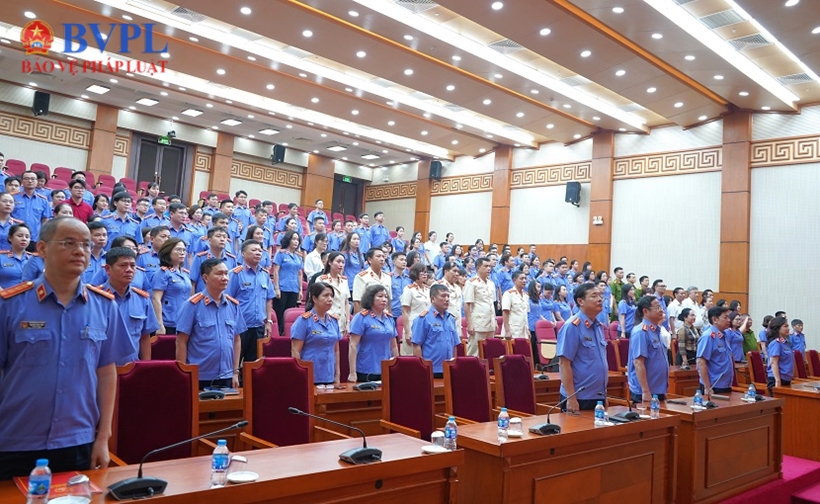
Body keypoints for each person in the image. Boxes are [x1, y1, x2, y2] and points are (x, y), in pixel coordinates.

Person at [0, 217, 131, 479]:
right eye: (68, 243)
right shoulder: (10, 304)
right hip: (14, 439)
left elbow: (106, 373)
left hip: (78, 439)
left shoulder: (105, 306)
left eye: (86, 244)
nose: (80, 251)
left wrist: (103, 437)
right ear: (42, 248)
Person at [176, 258, 246, 390]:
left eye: (226, 273)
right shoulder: (192, 305)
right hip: (199, 375)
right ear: (205, 277)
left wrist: (235, 372)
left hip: (226, 375)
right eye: (219, 274)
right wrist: (183, 373)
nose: (225, 278)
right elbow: (181, 341)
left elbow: (237, 340)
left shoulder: (233, 305)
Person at [101, 247, 158, 364]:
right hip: (101, 369)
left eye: (132, 266)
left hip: (132, 368)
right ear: (108, 269)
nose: (129, 270)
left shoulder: (142, 299)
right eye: (123, 265)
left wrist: (145, 367)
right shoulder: (96, 299)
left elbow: (145, 337)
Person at [556, 283, 608, 412]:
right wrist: (571, 398)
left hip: (598, 396)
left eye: (600, 296)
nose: (600, 299)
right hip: (578, 397)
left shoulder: (599, 327)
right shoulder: (572, 326)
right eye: (594, 296)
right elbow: (564, 364)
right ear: (580, 301)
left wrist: (604, 394)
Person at [227, 240, 275, 366]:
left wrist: (268, 321)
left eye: (260, 250)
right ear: (243, 253)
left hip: (258, 326)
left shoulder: (265, 275)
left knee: (253, 365)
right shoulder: (235, 274)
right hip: (239, 327)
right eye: (254, 250)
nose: (258, 253)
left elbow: (268, 299)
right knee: (234, 363)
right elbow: (227, 300)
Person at [291, 282, 342, 385]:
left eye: (331, 296)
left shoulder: (334, 321)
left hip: (329, 375)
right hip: (310, 376)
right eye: (325, 295)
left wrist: (337, 375)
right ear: (314, 298)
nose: (330, 299)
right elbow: (295, 351)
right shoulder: (303, 321)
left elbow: (336, 350)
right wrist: (300, 376)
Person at [348, 284, 399, 382]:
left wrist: (397, 367)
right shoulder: (361, 317)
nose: (384, 299)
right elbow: (353, 345)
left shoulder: (389, 319)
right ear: (371, 298)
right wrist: (352, 372)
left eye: (386, 297)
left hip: (386, 368)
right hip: (367, 368)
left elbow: (393, 346)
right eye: (380, 296)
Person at [411, 284, 461, 378]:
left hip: (449, 369)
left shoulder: (451, 319)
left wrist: (453, 365)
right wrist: (421, 369)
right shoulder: (423, 319)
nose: (447, 299)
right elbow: (416, 345)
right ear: (433, 299)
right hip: (431, 370)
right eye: (443, 296)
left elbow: (454, 344)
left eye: (448, 296)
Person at [628, 296, 670, 404]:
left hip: (658, 389)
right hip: (645, 392)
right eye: (657, 307)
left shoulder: (657, 330)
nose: (661, 310)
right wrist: (645, 391)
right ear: (645, 311)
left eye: (661, 307)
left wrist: (663, 389)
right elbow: (638, 363)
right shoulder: (641, 331)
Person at [150, 237, 193, 335]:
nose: (182, 253)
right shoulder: (162, 273)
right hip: (168, 322)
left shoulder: (185, 274)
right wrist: (160, 324)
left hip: (183, 322)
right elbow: (156, 299)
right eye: (178, 250)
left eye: (184, 250)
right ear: (168, 251)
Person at [463, 257, 497, 356]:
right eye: (485, 266)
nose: (488, 268)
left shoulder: (491, 283)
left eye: (489, 266)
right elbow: (467, 304)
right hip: (478, 323)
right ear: (478, 268)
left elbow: (492, 303)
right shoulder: (471, 283)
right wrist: (469, 324)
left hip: (490, 323)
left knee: (489, 352)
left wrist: (494, 320)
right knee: (474, 352)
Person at [696, 306, 734, 396]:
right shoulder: (708, 336)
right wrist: (707, 387)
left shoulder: (724, 335)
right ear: (715, 319)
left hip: (725, 384)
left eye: (729, 317)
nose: (729, 320)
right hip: (713, 385)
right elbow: (701, 362)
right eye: (725, 317)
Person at [272, 230, 303, 336]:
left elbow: (299, 273)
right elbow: (276, 271)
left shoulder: (298, 256)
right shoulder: (281, 253)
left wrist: (300, 289)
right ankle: (278, 334)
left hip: (294, 288)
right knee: (280, 313)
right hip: (282, 287)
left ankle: (287, 334)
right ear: (288, 240)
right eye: (293, 239)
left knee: (289, 314)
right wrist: (276, 288)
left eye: (297, 239)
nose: (296, 241)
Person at [190, 227, 237, 292]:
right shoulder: (200, 258)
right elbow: (193, 282)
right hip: (204, 296)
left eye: (224, 237)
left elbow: (234, 282)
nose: (222, 239)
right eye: (218, 236)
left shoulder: (232, 259)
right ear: (209, 240)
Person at [315, 251, 350, 337]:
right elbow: (317, 301)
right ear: (330, 262)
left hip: (341, 322)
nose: (341, 265)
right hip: (327, 320)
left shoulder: (344, 280)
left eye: (343, 262)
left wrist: (348, 322)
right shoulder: (322, 279)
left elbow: (346, 302)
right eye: (338, 262)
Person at [400, 263, 431, 356]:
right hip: (413, 325)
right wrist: (407, 332)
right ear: (415, 273)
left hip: (426, 326)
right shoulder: (409, 289)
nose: (425, 274)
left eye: (426, 272)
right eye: (422, 272)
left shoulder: (428, 290)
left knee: (426, 356)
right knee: (411, 355)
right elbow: (404, 311)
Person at [13, 171, 51, 244]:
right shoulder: (13, 197)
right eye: (26, 179)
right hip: (15, 238)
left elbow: (45, 220)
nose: (30, 181)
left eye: (33, 179)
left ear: (37, 181)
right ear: (22, 181)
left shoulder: (43, 200)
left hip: (35, 239)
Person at [352, 247, 392, 313]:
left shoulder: (387, 277)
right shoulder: (362, 277)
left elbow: (389, 301)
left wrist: (389, 316)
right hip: (368, 315)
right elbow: (357, 302)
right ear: (370, 260)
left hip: (384, 315)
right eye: (378, 256)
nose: (382, 259)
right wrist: (359, 318)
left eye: (383, 256)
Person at [766, 316, 795, 395]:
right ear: (778, 328)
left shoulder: (785, 342)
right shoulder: (776, 343)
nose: (788, 328)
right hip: (777, 379)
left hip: (786, 379)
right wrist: (777, 381)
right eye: (785, 326)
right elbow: (773, 363)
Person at [0, 223, 32, 289]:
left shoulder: (33, 259)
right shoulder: (1, 257)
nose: (24, 239)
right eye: (20, 236)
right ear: (10, 238)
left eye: (27, 237)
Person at [435, 261, 463, 335]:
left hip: (456, 325)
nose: (457, 274)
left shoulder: (457, 287)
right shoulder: (438, 285)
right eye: (454, 271)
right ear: (446, 271)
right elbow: (433, 309)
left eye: (458, 272)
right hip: (443, 326)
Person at [501, 270, 529, 339]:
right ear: (514, 280)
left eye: (525, 278)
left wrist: (527, 330)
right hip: (513, 330)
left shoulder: (526, 296)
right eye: (521, 279)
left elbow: (525, 314)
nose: (524, 281)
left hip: (523, 331)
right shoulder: (508, 294)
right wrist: (507, 331)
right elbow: (505, 313)